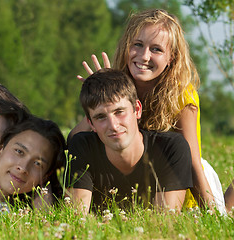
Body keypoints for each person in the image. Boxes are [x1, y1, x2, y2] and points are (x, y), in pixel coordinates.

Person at [71, 9, 224, 211]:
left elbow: (192, 161)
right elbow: (75, 138)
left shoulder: (180, 95)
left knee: (223, 213)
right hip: (141, 186)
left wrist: (211, 213)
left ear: (172, 58)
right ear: (127, 46)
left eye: (156, 49)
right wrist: (100, 93)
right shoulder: (120, 85)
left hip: (180, 183)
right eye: (138, 45)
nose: (144, 56)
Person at [67, 68, 192, 214]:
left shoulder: (170, 147)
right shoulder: (83, 146)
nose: (113, 125)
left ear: (137, 109)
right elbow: (76, 218)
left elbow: (164, 223)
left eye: (119, 112)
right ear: (91, 123)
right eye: (100, 117)